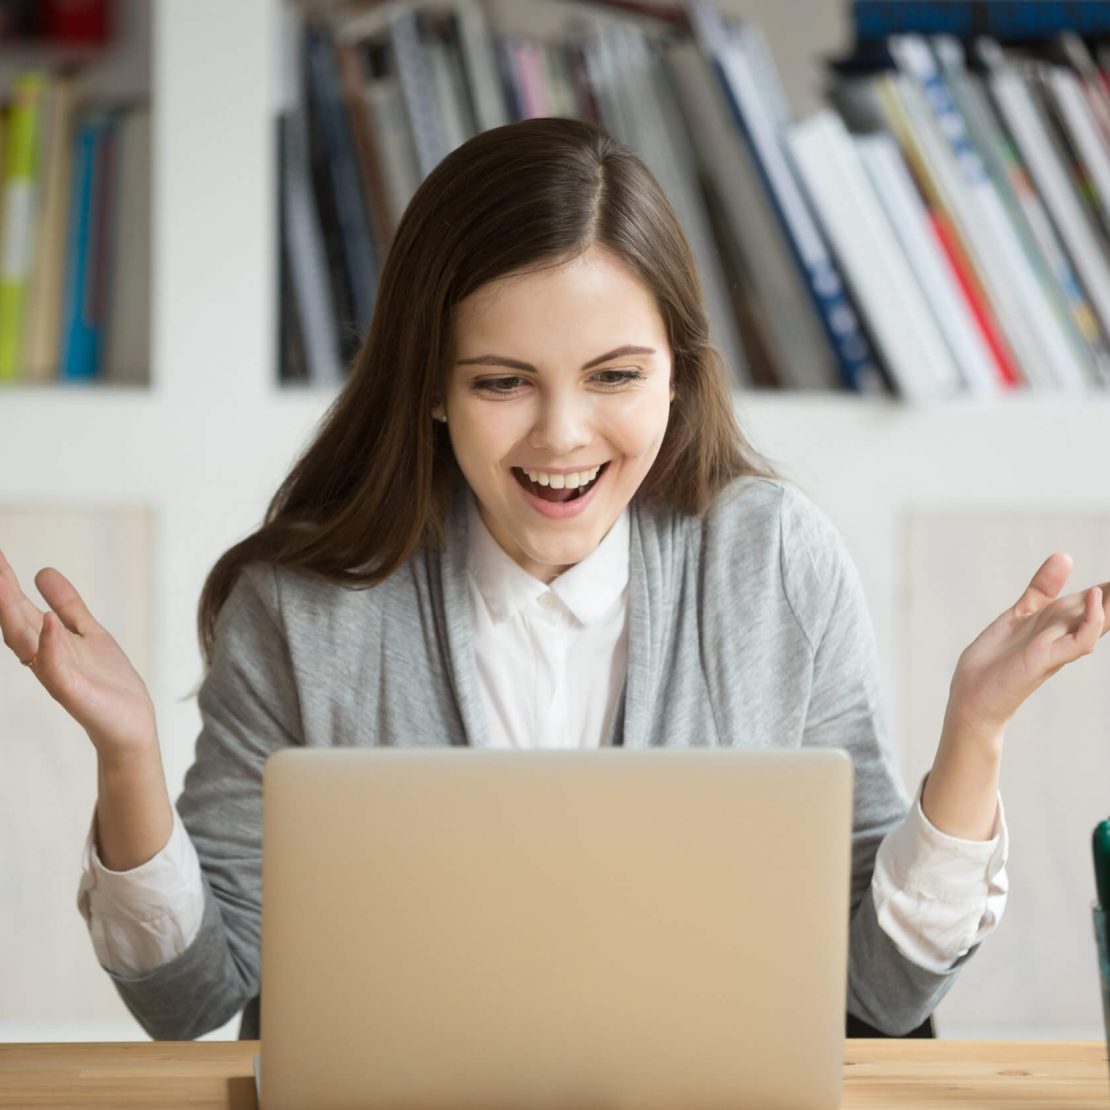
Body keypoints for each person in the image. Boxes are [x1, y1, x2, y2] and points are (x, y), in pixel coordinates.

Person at [2, 117, 1107, 1043]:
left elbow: (882, 989)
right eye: (502, 382)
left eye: (616, 375)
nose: (563, 434)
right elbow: (187, 998)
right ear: (429, 386)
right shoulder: (302, 606)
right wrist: (128, 755)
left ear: (677, 373)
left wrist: (976, 730)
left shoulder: (772, 562)